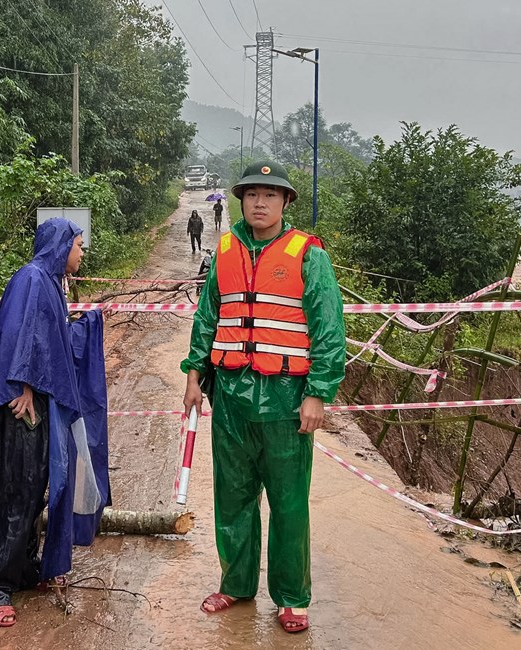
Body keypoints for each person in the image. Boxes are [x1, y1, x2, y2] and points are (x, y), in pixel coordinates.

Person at [180, 161, 345, 634]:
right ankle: (236, 583)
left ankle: (292, 597)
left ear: (286, 202)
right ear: (240, 199)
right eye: (252, 194)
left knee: (289, 500)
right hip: (230, 394)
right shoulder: (226, 248)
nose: (259, 202)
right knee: (233, 496)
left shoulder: (307, 254)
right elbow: (207, 318)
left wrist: (317, 393)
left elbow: (328, 329)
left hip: (285, 396)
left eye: (270, 195)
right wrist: (195, 375)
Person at [0, 218, 109, 628]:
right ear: (62, 246)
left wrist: (86, 326)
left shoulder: (48, 281)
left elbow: (48, 340)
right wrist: (23, 386)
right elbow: (19, 337)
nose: (82, 253)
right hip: (22, 405)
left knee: (35, 487)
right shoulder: (31, 279)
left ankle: (23, 568)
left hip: (36, 401)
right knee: (18, 493)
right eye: (79, 245)